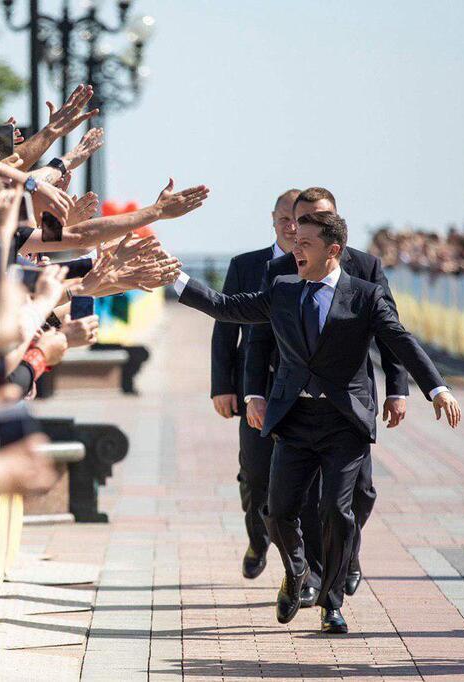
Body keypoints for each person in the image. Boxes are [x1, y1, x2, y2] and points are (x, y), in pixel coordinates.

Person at [168, 210, 461, 634]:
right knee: (279, 510)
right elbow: (227, 308)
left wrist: (437, 389)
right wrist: (173, 276)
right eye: (294, 240)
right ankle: (296, 569)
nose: (295, 248)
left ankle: (332, 603)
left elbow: (400, 340)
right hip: (295, 419)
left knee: (336, 512)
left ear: (333, 250)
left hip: (344, 423)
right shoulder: (284, 289)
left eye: (305, 243)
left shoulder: (364, 296)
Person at [244, 187, 409, 606]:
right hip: (295, 408)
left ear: (333, 227)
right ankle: (316, 581)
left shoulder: (366, 269)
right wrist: (252, 393)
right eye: (297, 224)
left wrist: (398, 389)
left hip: (349, 407)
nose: (299, 239)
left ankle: (346, 556)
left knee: (358, 497)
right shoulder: (283, 273)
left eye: (315, 222)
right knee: (296, 503)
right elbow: (258, 338)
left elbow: (393, 335)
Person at [210, 188, 300, 580]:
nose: (292, 228)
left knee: (302, 477)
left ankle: (302, 562)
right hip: (254, 388)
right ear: (273, 220)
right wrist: (222, 385)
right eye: (285, 219)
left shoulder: (324, 266)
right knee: (254, 473)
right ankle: (258, 538)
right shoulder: (246, 265)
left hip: (301, 388)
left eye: (300, 220)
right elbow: (225, 328)